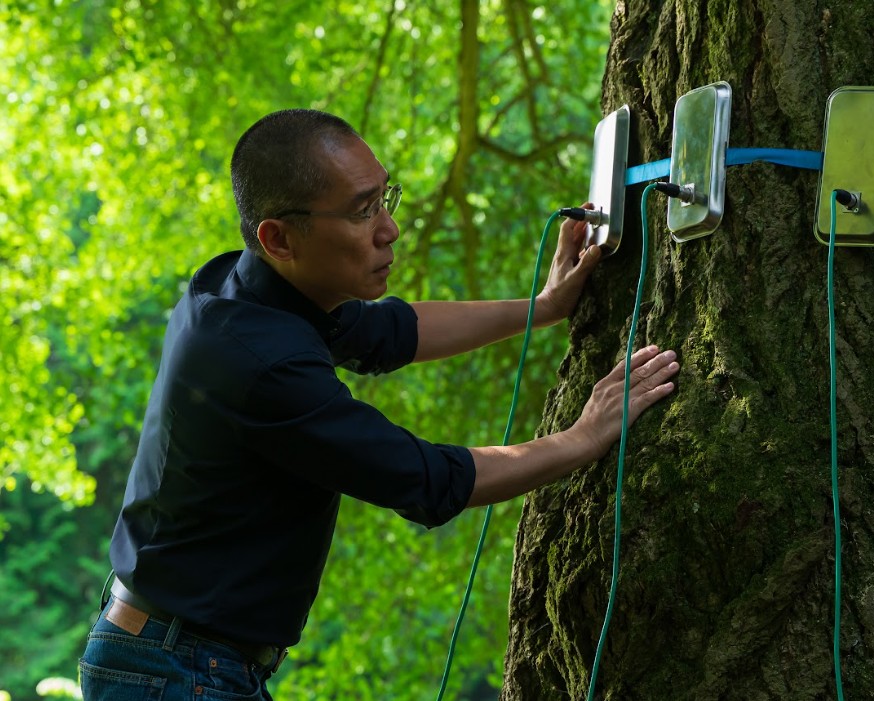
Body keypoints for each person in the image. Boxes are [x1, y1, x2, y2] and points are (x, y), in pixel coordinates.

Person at [78, 109, 678, 700]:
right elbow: (425, 477)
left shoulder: (247, 290)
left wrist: (541, 308)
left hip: (179, 658)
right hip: (174, 672)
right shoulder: (259, 363)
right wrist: (585, 436)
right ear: (279, 237)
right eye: (363, 211)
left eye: (385, 196)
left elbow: (393, 332)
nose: (389, 228)